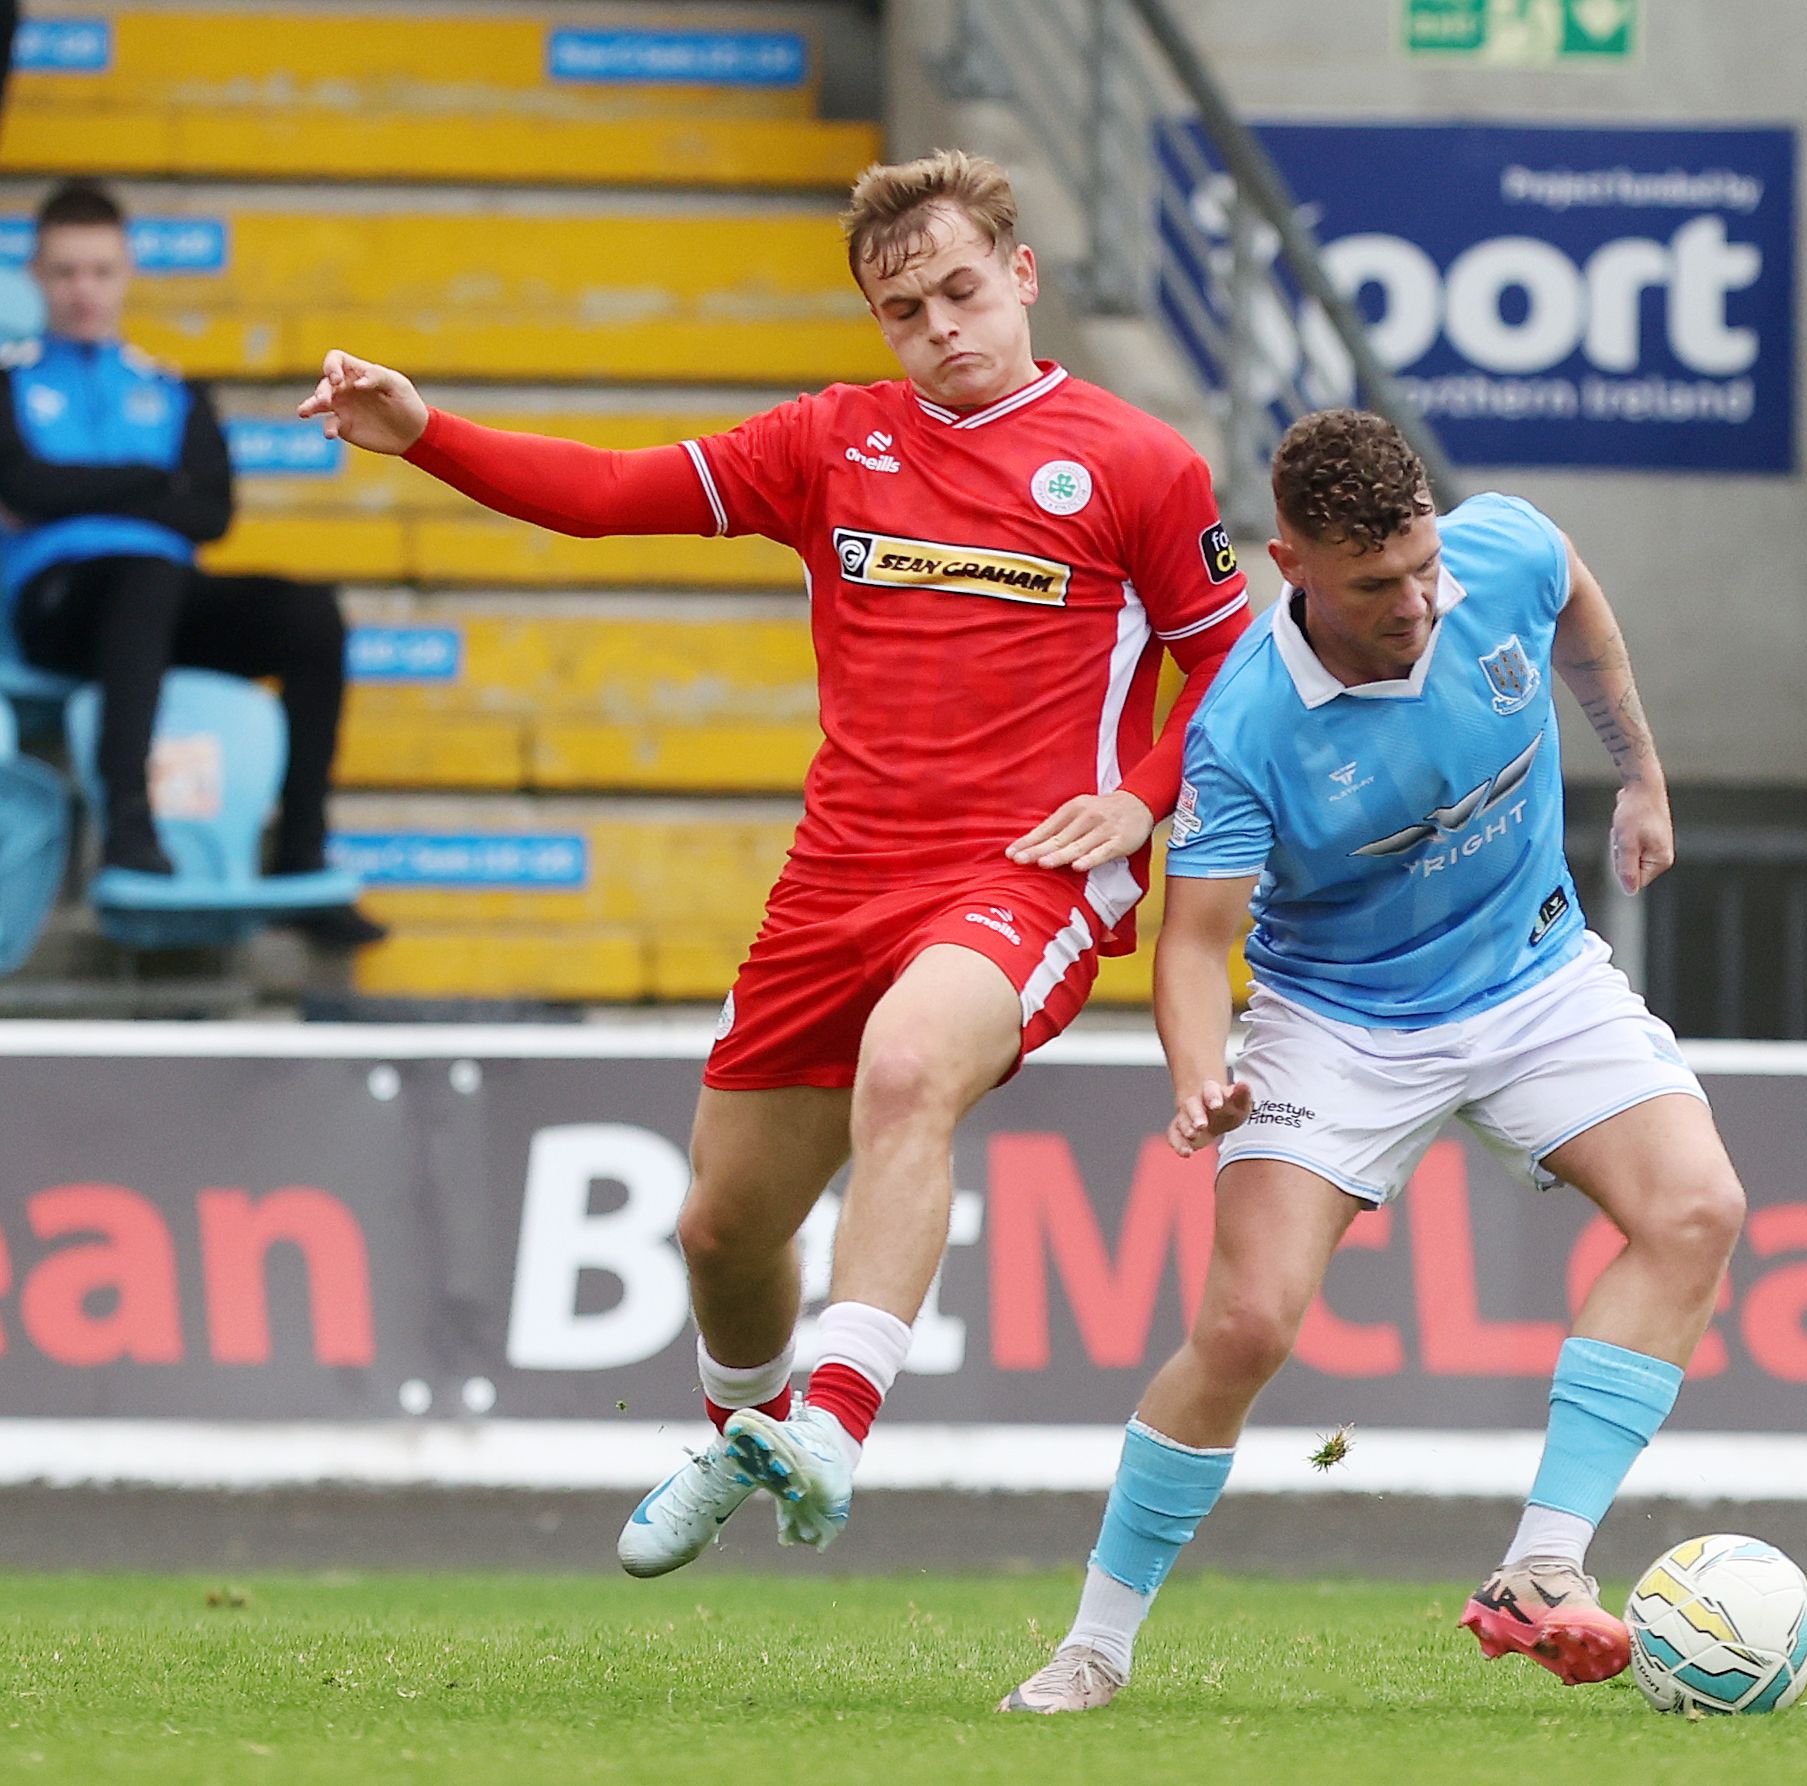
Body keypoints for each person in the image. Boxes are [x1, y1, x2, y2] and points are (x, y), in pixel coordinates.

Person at [299, 149, 1251, 1573]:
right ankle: (742, 1434)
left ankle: (832, 1426)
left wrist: (1141, 800)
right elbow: (609, 492)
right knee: (716, 1231)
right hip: (836, 880)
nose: (939, 326)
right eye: (903, 308)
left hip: (1025, 872)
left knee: (909, 1071)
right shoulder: (831, 442)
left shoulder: (1138, 461)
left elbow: (1233, 663)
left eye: (959, 290)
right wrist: (424, 428)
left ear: (1020, 278)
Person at [1000, 409, 1746, 1714]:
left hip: (1529, 971)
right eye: (1373, 584)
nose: (1413, 601)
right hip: (1335, 1017)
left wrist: (1639, 772)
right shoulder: (1244, 725)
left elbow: (1567, 583)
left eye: (1420, 566)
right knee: (1242, 1324)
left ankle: (1539, 1566)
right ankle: (1093, 1643)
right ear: (1290, 563)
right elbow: (1191, 942)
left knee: (1695, 1210)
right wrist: (1191, 1072)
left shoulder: (1495, 547)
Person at [0, 180, 382, 947]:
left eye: (101, 271)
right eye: (67, 272)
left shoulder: (170, 388)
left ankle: (299, 854)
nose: (84, 290)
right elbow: (22, 484)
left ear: (127, 273)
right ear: (37, 275)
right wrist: (150, 483)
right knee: (147, 574)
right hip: (55, 605)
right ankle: (131, 840)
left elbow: (210, 512)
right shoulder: (9, 382)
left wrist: (78, 493)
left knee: (307, 617)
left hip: (162, 600)